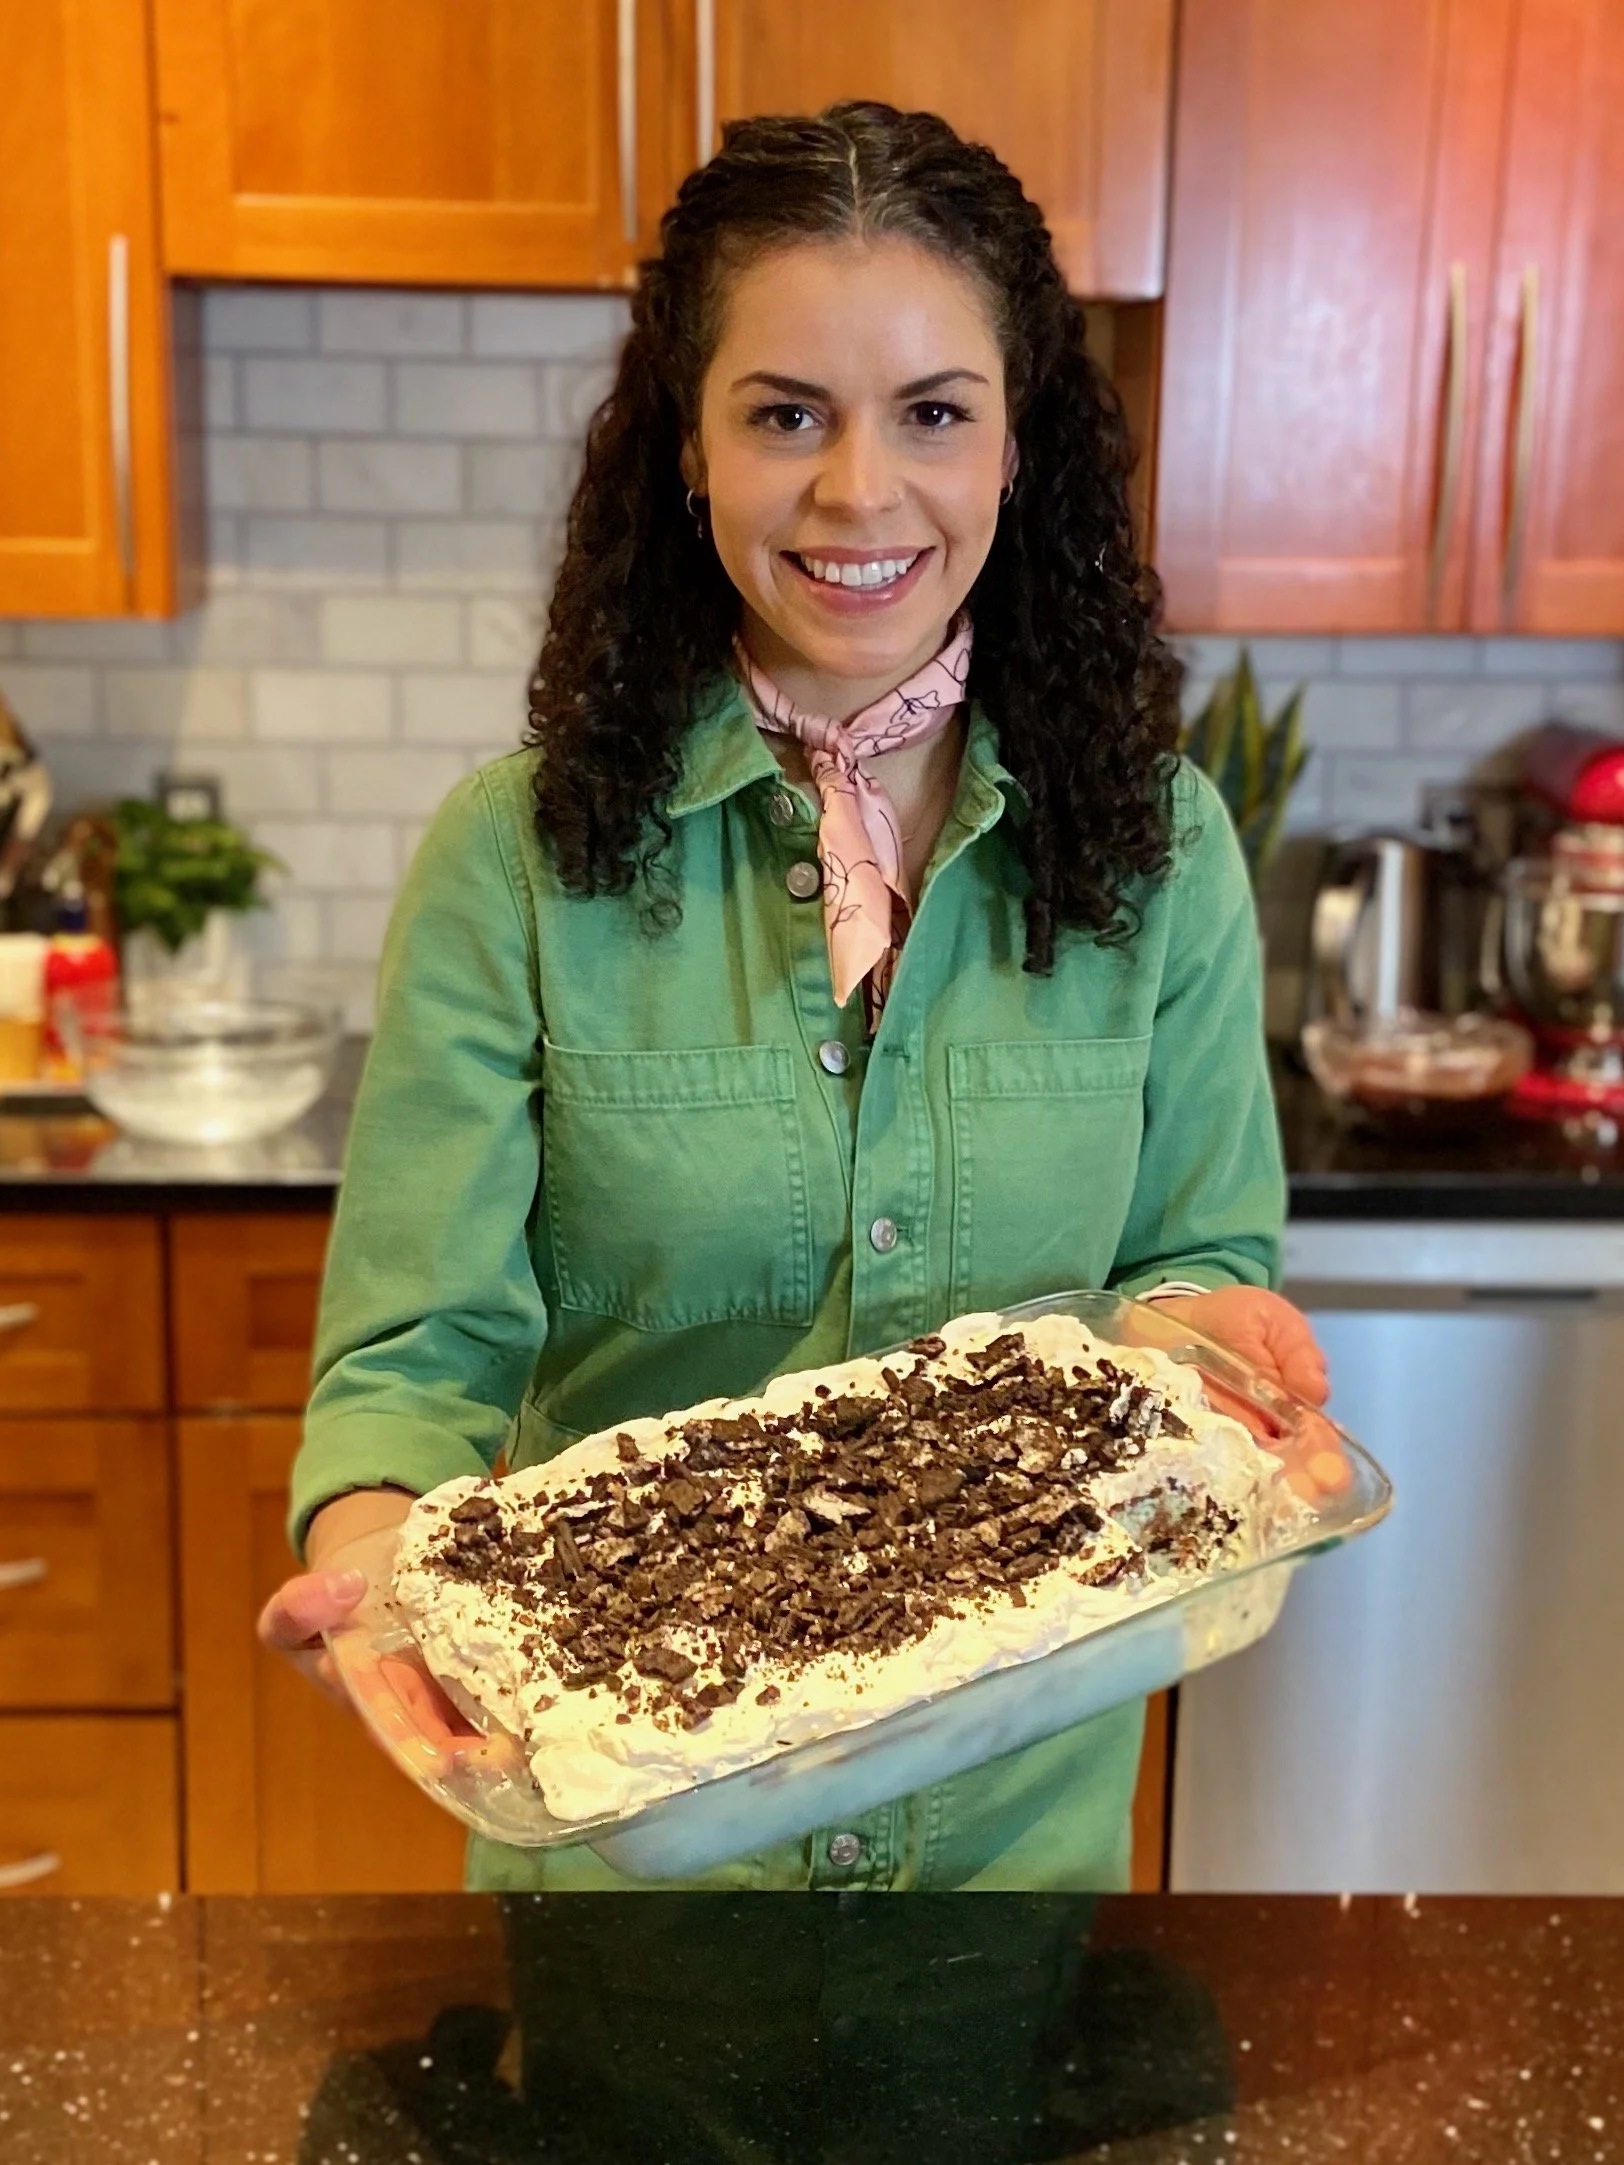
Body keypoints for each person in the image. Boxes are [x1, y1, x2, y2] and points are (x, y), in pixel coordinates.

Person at [261, 100, 1333, 1892]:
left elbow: (1186, 1273)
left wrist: (1217, 1350)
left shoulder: (1164, 849)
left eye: (932, 412)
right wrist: (378, 1557)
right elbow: (418, 1355)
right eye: (784, 415)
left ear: (1017, 449)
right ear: (686, 448)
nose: (858, 492)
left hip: (1012, 1867)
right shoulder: (516, 859)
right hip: (624, 1861)